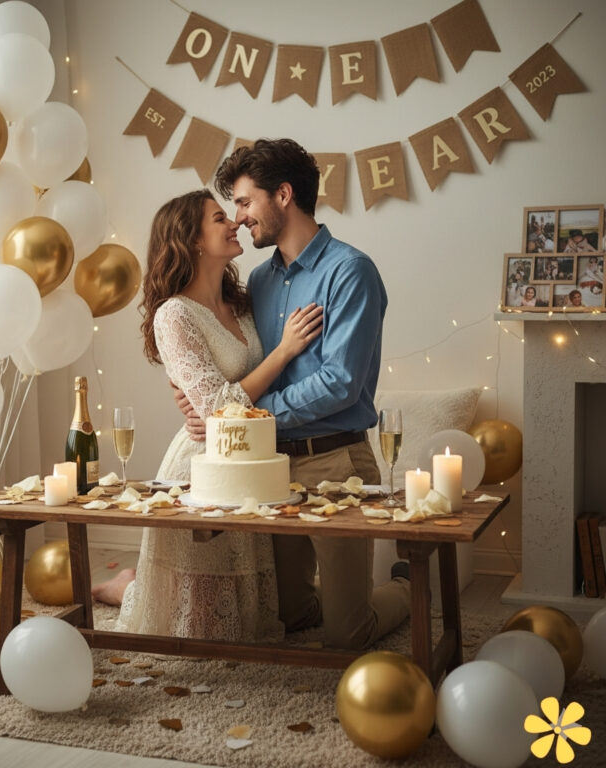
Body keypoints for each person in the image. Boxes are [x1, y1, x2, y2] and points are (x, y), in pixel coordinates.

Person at [178, 139, 410, 650]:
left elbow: (340, 382)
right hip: (269, 466)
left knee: (348, 635)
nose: (239, 218)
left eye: (245, 202)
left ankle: (407, 587)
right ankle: (340, 598)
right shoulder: (259, 282)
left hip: (336, 462)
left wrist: (246, 417)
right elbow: (235, 361)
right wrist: (200, 403)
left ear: (283, 195)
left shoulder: (350, 271)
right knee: (287, 614)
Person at [91, 189, 322, 643]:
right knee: (198, 626)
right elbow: (217, 408)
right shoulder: (174, 314)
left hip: (249, 461)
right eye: (220, 218)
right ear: (192, 240)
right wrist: (284, 351)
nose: (235, 222)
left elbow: (227, 400)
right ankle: (123, 588)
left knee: (243, 618)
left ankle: (130, 582)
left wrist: (222, 405)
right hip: (201, 465)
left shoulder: (244, 302)